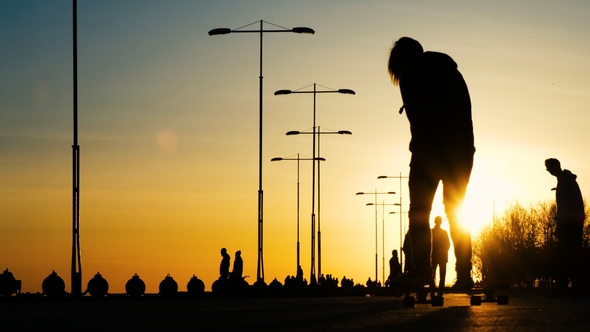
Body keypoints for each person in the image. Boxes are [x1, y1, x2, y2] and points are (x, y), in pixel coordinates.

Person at [388, 37, 475, 289]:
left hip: (429, 153)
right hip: (460, 152)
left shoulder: (410, 75)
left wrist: (423, 152)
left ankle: (422, 271)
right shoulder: (451, 72)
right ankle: (465, 274)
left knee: (419, 212)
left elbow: (420, 121)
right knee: (456, 213)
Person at [545, 158, 585, 296]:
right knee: (576, 254)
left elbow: (564, 206)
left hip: (568, 222)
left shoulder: (564, 182)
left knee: (564, 255)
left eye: (549, 168)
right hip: (577, 221)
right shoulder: (569, 180)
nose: (549, 171)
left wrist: (560, 223)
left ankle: (562, 288)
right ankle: (580, 286)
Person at [431, 216, 450, 294]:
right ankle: (440, 291)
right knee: (441, 275)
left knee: (432, 275)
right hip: (441, 256)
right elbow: (448, 244)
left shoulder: (431, 232)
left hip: (434, 256)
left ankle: (433, 291)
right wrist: (443, 251)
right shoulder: (444, 232)